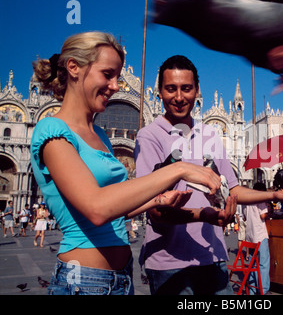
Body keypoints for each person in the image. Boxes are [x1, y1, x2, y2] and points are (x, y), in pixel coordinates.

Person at [30, 33, 222, 295]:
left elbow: (118, 208)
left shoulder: (99, 136)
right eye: (107, 74)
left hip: (121, 279)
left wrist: (156, 201)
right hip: (83, 281)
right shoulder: (51, 130)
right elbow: (97, 208)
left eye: (117, 77)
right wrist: (180, 168)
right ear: (73, 67)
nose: (116, 86)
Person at [134, 55, 283, 295]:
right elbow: (154, 210)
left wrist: (276, 193)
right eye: (170, 89)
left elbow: (233, 189)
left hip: (212, 257)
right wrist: (204, 215)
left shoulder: (210, 134)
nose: (178, 97)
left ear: (197, 91)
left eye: (186, 88)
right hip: (169, 265)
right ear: (159, 92)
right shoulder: (150, 136)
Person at [242, 182, 271, 295]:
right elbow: (263, 215)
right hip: (260, 235)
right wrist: (269, 211)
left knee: (253, 264)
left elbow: (244, 217)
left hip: (250, 235)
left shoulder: (247, 201)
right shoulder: (261, 199)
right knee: (263, 263)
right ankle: (264, 290)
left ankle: (253, 289)